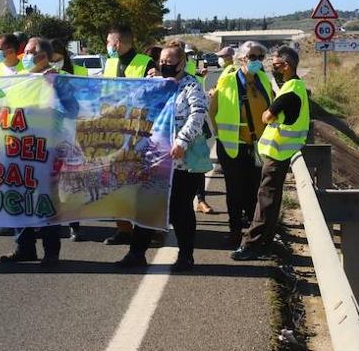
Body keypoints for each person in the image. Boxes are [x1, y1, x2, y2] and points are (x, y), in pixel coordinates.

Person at [118, 41, 209, 271]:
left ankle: (186, 256)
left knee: (180, 210)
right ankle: (136, 253)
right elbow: (136, 102)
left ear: (182, 63)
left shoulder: (192, 86)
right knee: (147, 206)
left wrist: (182, 141)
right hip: (156, 158)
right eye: (163, 62)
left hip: (182, 161)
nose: (166, 66)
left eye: (171, 62)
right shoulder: (156, 84)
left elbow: (198, 114)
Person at [233, 46, 309, 260]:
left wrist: (269, 113)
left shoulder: (291, 90)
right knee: (270, 198)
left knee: (266, 197)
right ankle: (264, 241)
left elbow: (267, 115)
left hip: (279, 152)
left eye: (275, 65)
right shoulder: (297, 86)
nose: (271, 69)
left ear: (286, 66)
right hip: (282, 151)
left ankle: (252, 244)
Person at [0, 37, 66, 266]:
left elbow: (72, 109)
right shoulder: (18, 79)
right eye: (24, 52)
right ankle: (24, 247)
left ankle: (51, 251)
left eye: (28, 52)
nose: (23, 56)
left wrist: (53, 88)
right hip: (16, 148)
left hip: (45, 150)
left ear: (43, 56)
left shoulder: (59, 80)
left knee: (47, 201)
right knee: (18, 197)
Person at [210, 42, 274, 245]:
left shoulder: (263, 79)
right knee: (235, 190)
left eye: (259, 57)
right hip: (232, 146)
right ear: (241, 58)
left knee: (255, 189)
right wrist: (221, 135)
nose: (256, 61)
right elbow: (213, 111)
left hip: (257, 146)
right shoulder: (227, 81)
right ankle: (235, 230)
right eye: (251, 56)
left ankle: (253, 231)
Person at [101, 24, 154, 245]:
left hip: (140, 133)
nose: (107, 46)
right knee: (117, 183)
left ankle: (149, 230)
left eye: (108, 42)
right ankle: (123, 229)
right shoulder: (110, 63)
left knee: (142, 184)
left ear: (118, 43)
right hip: (115, 132)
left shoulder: (145, 63)